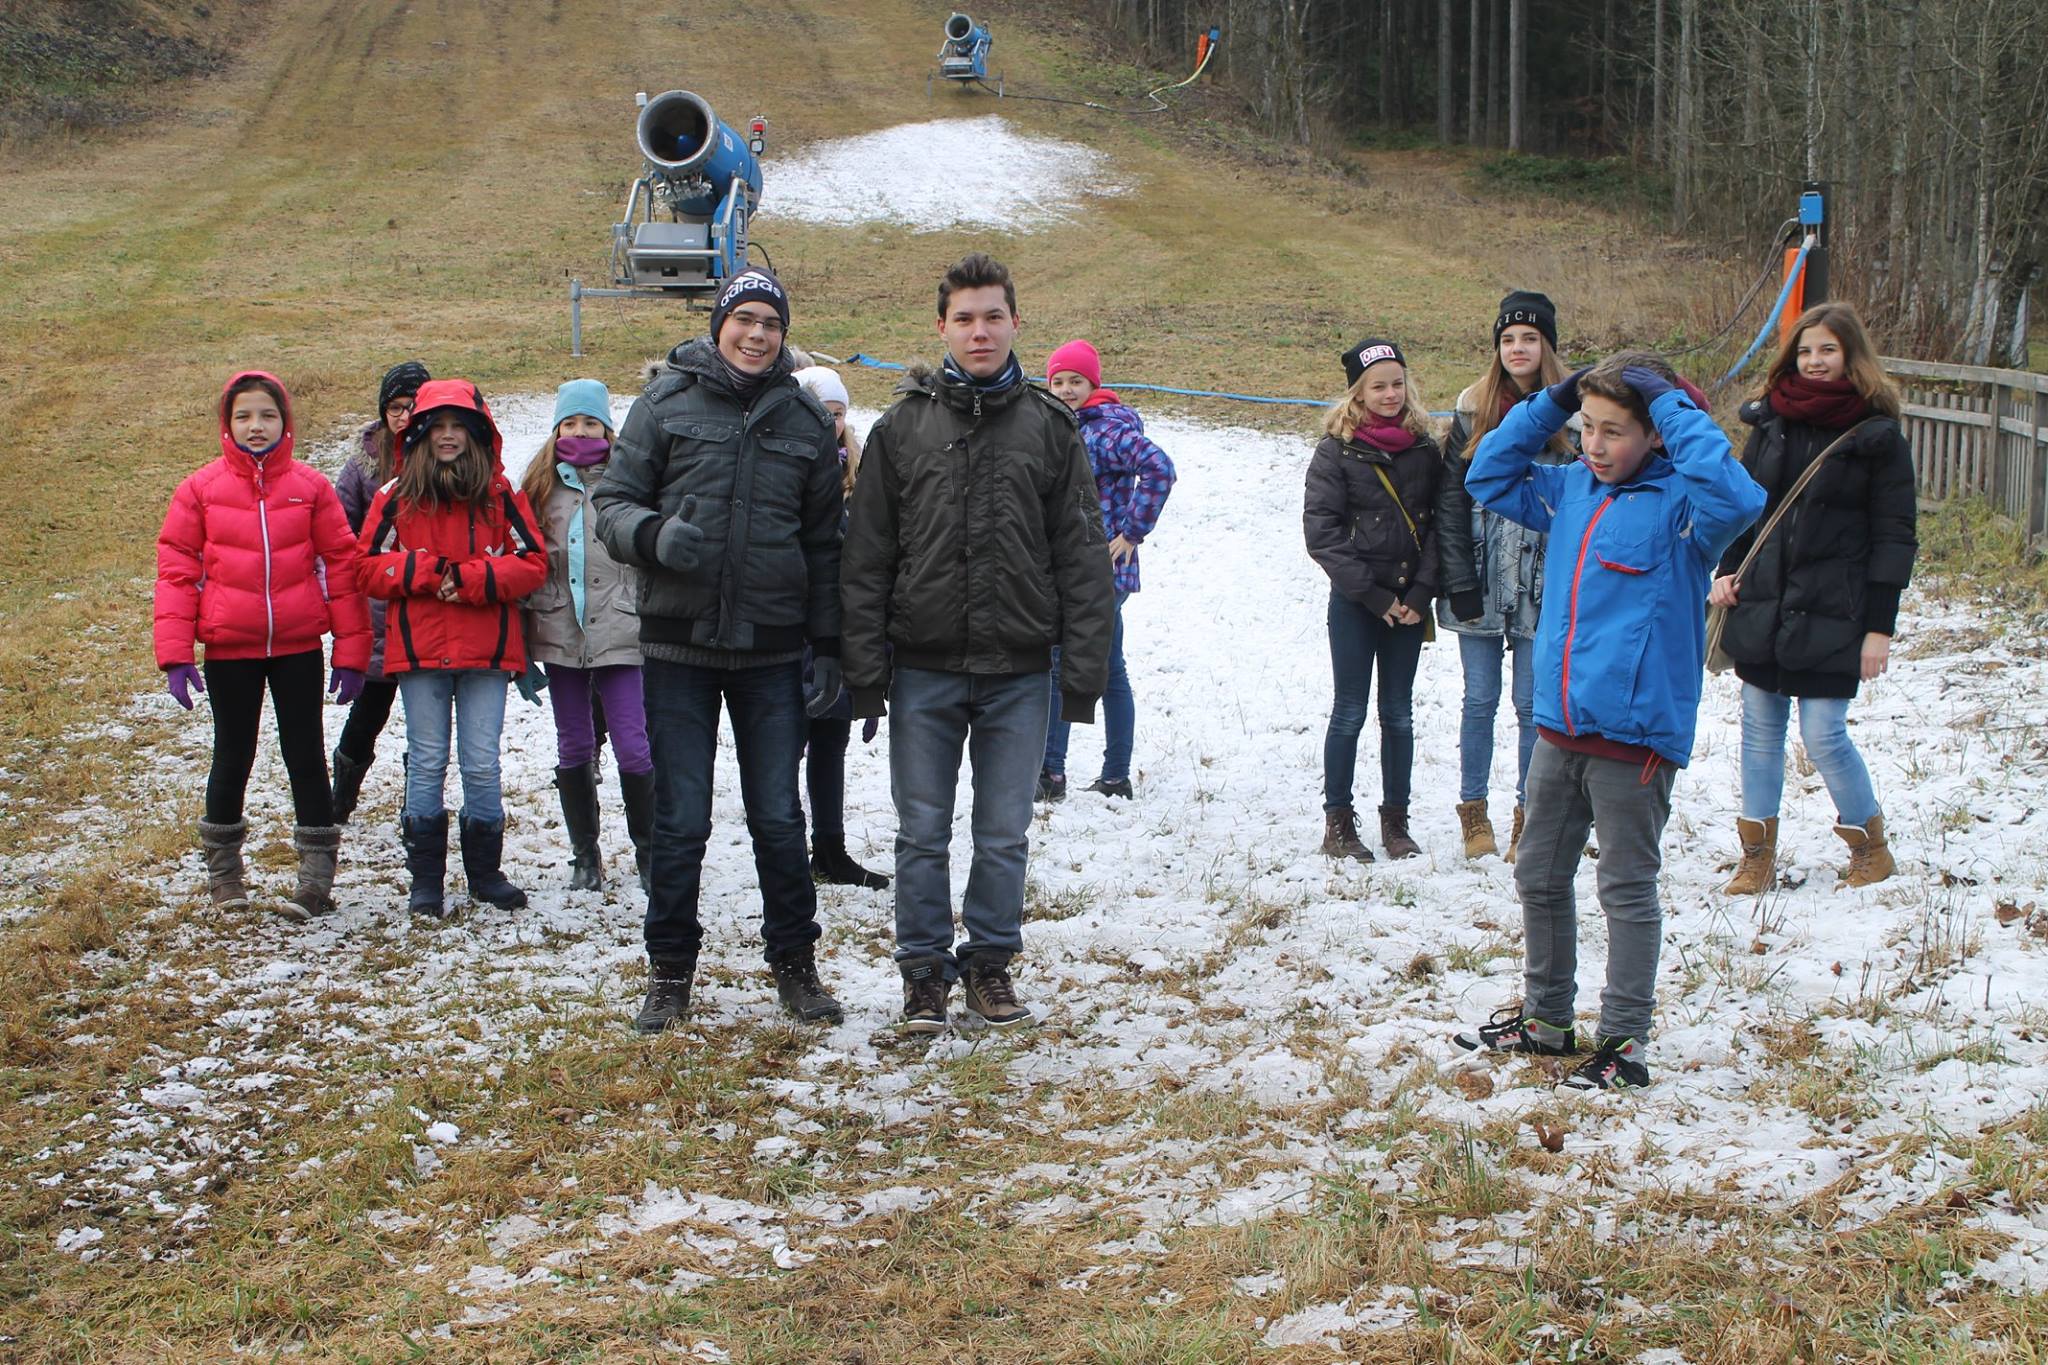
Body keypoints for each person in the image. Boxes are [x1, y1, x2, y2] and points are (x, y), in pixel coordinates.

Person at [1454, 352, 1765, 1090]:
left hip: (1635, 738)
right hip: (1560, 725)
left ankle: (1624, 1041)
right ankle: (1547, 1019)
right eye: (1586, 427)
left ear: (1654, 433)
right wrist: (1553, 400)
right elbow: (1486, 473)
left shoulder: (1686, 509)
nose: (1593, 445)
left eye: (1613, 431)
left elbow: (1739, 496)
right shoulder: (1569, 489)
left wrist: (1672, 406)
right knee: (1538, 872)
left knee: (1625, 888)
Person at [841, 252, 1115, 1035]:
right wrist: (865, 672)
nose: (980, 330)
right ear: (942, 327)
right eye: (964, 318)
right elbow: (867, 558)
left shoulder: (1050, 427)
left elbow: (1081, 557)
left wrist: (1082, 676)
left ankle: (990, 964)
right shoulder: (901, 429)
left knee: (1003, 832)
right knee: (920, 832)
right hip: (922, 669)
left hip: (1018, 673)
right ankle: (923, 972)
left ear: (1015, 322)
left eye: (993, 315)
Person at [594, 268, 850, 1032]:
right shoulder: (664, 403)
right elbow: (612, 502)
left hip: (772, 652)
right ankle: (670, 971)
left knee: (778, 816)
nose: (757, 334)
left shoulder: (805, 421)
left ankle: (796, 965)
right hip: (679, 650)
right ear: (720, 325)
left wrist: (828, 645)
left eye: (771, 322)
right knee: (681, 820)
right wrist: (653, 535)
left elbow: (823, 544)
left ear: (783, 335)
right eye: (745, 319)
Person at [1712, 302, 1917, 892]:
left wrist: (1879, 627)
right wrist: (1728, 570)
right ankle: (1756, 855)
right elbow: (1747, 508)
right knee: (1759, 730)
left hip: (1837, 609)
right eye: (1805, 350)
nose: (1815, 361)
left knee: (1824, 733)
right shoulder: (1771, 422)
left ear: (1851, 355)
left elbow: (1895, 536)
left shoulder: (1877, 436)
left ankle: (1870, 846)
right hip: (1765, 598)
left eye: (1827, 349)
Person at [154, 371, 372, 920]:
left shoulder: (311, 488)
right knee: (233, 754)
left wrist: (351, 651)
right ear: (227, 424)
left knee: (306, 755)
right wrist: (176, 654)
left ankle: (315, 881)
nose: (256, 426)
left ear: (285, 422)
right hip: (230, 650)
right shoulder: (200, 490)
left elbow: (343, 569)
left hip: (297, 648)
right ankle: (226, 877)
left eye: (268, 415)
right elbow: (178, 573)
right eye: (244, 416)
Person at [357, 380, 548, 919]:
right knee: (426, 761)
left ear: (477, 434)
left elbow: (533, 563)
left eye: (457, 427)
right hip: (421, 652)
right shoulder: (395, 496)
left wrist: (470, 579)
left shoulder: (500, 494)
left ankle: (486, 873)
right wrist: (422, 572)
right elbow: (366, 566)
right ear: (418, 433)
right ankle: (426, 880)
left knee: (482, 763)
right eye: (436, 426)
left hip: (487, 651)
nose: (447, 436)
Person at [1435, 293, 1577, 862]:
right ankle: (1474, 812)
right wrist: (1458, 579)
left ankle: (1528, 814)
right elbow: (1449, 502)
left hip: (1544, 585)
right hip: (1481, 577)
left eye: (1530, 339)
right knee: (1479, 699)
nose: (1518, 348)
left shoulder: (1575, 416)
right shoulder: (1472, 410)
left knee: (1531, 704)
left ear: (1548, 346)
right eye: (1508, 339)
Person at [1303, 338, 1442, 863]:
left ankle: (1396, 821)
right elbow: (1322, 533)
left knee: (1399, 714)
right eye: (1378, 386)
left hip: (1409, 603)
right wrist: (1375, 596)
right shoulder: (1335, 451)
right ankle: (1338, 822)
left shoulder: (1425, 449)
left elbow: (1441, 527)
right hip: (1357, 603)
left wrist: (1420, 593)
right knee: (1349, 711)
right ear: (1358, 393)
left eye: (1397, 384)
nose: (1390, 394)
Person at [518, 379, 655, 894]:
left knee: (634, 745)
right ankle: (585, 854)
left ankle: (649, 851)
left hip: (622, 630)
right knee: (574, 742)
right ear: (557, 430)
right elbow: (526, 560)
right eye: (570, 423)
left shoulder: (631, 481)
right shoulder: (538, 489)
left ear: (607, 428)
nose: (580, 431)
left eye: (591, 422)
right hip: (560, 633)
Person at [1038, 338, 1177, 802]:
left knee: (1061, 661)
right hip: (1081, 568)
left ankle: (1050, 772)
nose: (1066, 389)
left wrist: (1132, 533)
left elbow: (1160, 468)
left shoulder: (1106, 431)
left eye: (1075, 381)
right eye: (1057, 381)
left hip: (1100, 571)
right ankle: (1115, 776)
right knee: (1111, 668)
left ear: (1093, 384)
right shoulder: (1069, 426)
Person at [793, 363, 891, 890]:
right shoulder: (783, 467)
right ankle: (785, 850)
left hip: (841, 631)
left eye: (836, 414)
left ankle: (829, 848)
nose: (827, 423)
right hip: (788, 629)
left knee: (831, 742)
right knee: (784, 747)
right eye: (817, 412)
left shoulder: (859, 474)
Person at [332, 360, 429, 823]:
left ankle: (419, 803)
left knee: (425, 721)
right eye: (395, 407)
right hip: (378, 614)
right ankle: (340, 799)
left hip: (428, 612)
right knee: (369, 711)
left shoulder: (446, 453)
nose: (404, 416)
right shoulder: (364, 463)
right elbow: (339, 530)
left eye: (413, 406)